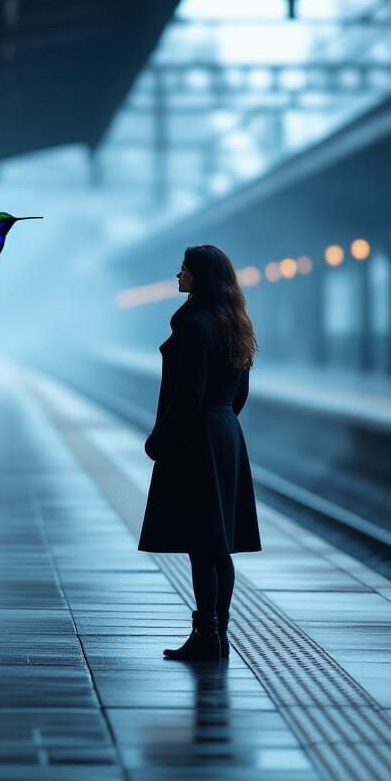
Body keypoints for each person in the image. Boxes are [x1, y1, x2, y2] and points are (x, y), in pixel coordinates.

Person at [138, 244, 262, 661]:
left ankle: (206, 635)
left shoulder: (194, 324)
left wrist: (160, 439)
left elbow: (188, 395)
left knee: (201, 542)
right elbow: (241, 392)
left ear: (200, 277)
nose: (178, 276)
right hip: (226, 431)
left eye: (184, 270)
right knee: (218, 542)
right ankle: (217, 634)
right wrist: (221, 420)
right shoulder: (235, 322)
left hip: (198, 437)